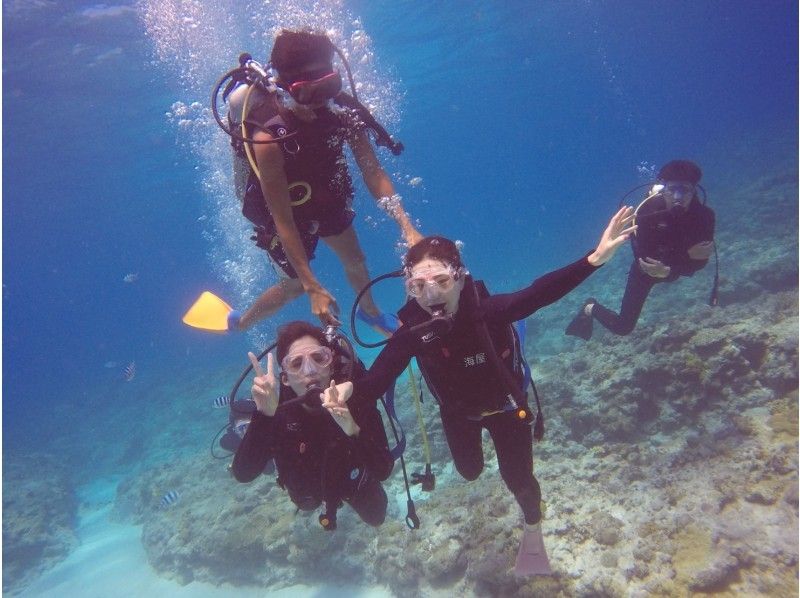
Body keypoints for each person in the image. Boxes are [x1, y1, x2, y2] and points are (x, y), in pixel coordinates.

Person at [321, 208, 635, 574]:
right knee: (469, 471)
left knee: (517, 479)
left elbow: (537, 294)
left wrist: (594, 259)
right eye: (418, 286)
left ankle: (533, 529)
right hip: (458, 415)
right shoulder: (412, 334)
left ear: (459, 277)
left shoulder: (487, 311)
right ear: (408, 286)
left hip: (506, 408)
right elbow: (376, 383)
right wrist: (347, 390)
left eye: (440, 280)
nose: (430, 294)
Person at [226, 29, 422, 334]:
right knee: (293, 287)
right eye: (309, 92)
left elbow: (373, 171)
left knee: (356, 259)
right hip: (284, 208)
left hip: (324, 193)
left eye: (329, 87)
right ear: (284, 86)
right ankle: (240, 322)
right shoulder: (267, 137)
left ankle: (370, 313)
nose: (322, 102)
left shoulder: (341, 111)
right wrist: (311, 284)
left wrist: (406, 225)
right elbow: (283, 221)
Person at [231, 321, 393, 529]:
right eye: (296, 364)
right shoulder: (278, 409)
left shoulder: (354, 399)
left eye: (319, 358)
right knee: (307, 503)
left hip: (353, 481)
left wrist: (352, 428)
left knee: (377, 516)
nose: (310, 371)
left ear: (331, 363)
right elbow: (243, 473)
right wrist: (264, 415)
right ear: (285, 379)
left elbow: (383, 470)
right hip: (307, 490)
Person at [565, 160, 715, 340]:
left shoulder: (704, 217)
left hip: (673, 270)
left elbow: (699, 263)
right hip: (645, 274)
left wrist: (672, 267)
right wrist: (684, 257)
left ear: (694, 191)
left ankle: (669, 270)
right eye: (672, 189)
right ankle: (590, 307)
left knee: (674, 270)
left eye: (685, 189)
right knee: (623, 327)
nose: (678, 196)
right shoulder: (647, 212)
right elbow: (644, 261)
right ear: (664, 189)